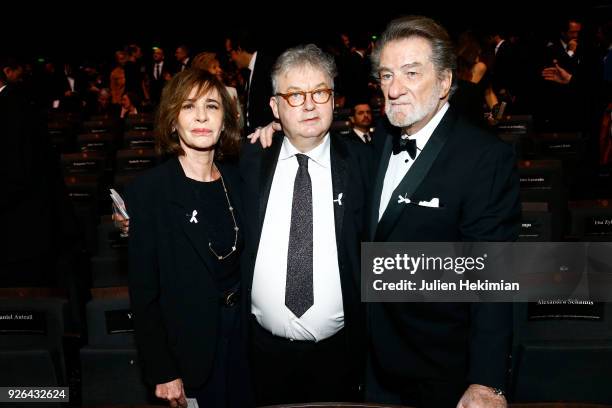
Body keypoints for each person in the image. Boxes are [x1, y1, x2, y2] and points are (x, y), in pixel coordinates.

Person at [367, 16, 520, 408]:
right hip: (371, 365)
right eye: (386, 75)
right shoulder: (376, 141)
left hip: (442, 371)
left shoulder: (485, 158)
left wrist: (487, 381)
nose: (394, 89)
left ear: (445, 82)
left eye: (410, 73)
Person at [239, 43, 371, 405]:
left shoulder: (366, 164)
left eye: (320, 92)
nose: (309, 104)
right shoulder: (248, 160)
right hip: (259, 354)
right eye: (295, 95)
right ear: (275, 106)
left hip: (340, 356)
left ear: (333, 100)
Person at [126, 69, 251, 408]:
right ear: (172, 120)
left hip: (244, 343)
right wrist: (163, 370)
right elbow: (143, 294)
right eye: (188, 106)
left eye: (212, 106)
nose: (200, 116)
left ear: (225, 120)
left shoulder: (240, 182)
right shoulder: (148, 193)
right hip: (188, 350)